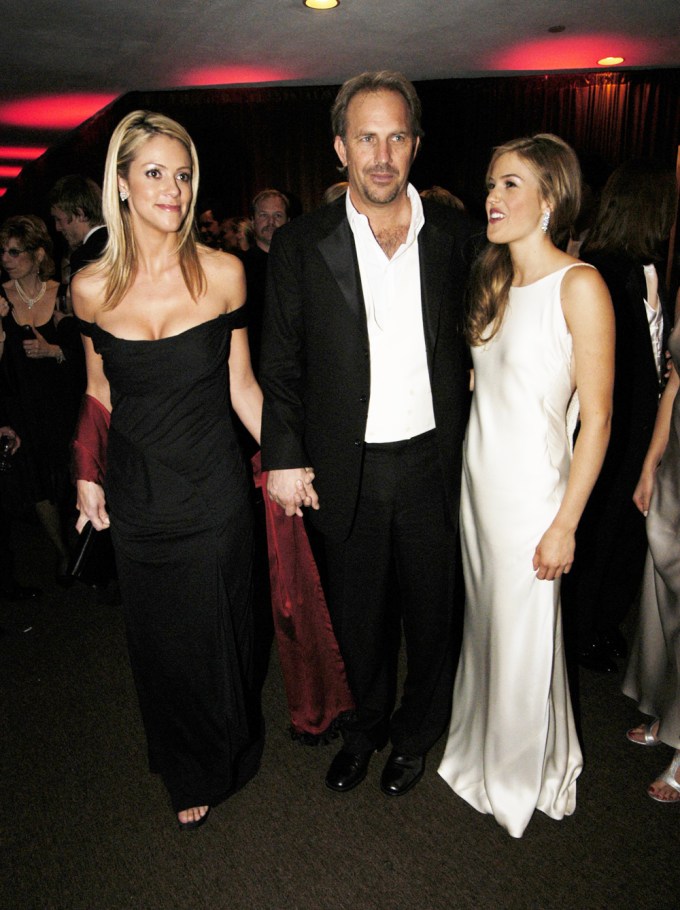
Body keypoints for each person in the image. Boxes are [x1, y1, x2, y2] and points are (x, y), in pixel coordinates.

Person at [260, 71, 472, 798]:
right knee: (358, 621)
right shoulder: (300, 243)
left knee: (435, 615)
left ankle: (415, 735)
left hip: (434, 464)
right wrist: (284, 457)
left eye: (396, 136)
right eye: (366, 138)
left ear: (415, 144)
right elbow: (280, 363)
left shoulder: (458, 236)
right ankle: (365, 727)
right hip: (341, 467)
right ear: (340, 148)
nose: (382, 154)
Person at [70, 110, 265, 830]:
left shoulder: (224, 274)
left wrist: (292, 457)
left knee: (220, 630)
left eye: (182, 175)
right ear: (120, 184)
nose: (173, 189)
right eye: (154, 173)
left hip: (212, 487)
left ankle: (223, 748)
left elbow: (243, 387)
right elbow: (98, 390)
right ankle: (186, 762)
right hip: (138, 495)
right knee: (158, 641)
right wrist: (87, 471)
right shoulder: (89, 288)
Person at [437, 134, 615, 838]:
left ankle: (519, 776)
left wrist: (566, 523)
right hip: (479, 487)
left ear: (550, 199)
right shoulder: (493, 279)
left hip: (534, 496)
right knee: (489, 633)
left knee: (524, 637)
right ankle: (487, 753)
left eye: (511, 184)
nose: (492, 197)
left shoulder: (581, 284)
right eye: (490, 183)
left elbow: (597, 420)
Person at [562, 160, 678, 673]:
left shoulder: (650, 269)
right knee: (602, 530)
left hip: (646, 423)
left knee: (627, 533)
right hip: (612, 424)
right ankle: (583, 632)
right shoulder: (603, 270)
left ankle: (601, 625)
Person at [0, 215, 84, 578]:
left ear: (37, 254)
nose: (5, 258)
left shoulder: (60, 291)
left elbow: (82, 355)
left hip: (61, 402)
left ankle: (85, 550)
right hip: (21, 405)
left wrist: (53, 351)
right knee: (36, 482)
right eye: (2, 251)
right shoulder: (1, 299)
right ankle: (62, 552)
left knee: (71, 474)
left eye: (14, 252)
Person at [623, 288, 680, 804]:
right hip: (677, 467)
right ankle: (669, 715)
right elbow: (675, 382)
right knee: (665, 597)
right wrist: (650, 464)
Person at [49, 175, 108, 279]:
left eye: (59, 219)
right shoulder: (126, 242)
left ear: (81, 214)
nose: (57, 228)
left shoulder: (85, 256)